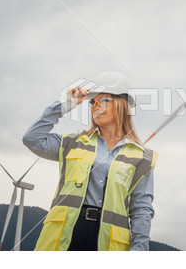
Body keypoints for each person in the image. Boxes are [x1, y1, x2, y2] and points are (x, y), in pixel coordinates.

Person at [22, 71, 158, 251]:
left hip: (108, 243)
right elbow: (32, 139)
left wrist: (140, 248)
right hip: (65, 236)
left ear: (122, 104)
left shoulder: (142, 157)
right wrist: (65, 105)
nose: (96, 106)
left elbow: (141, 209)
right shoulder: (72, 143)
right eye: (93, 102)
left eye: (104, 100)